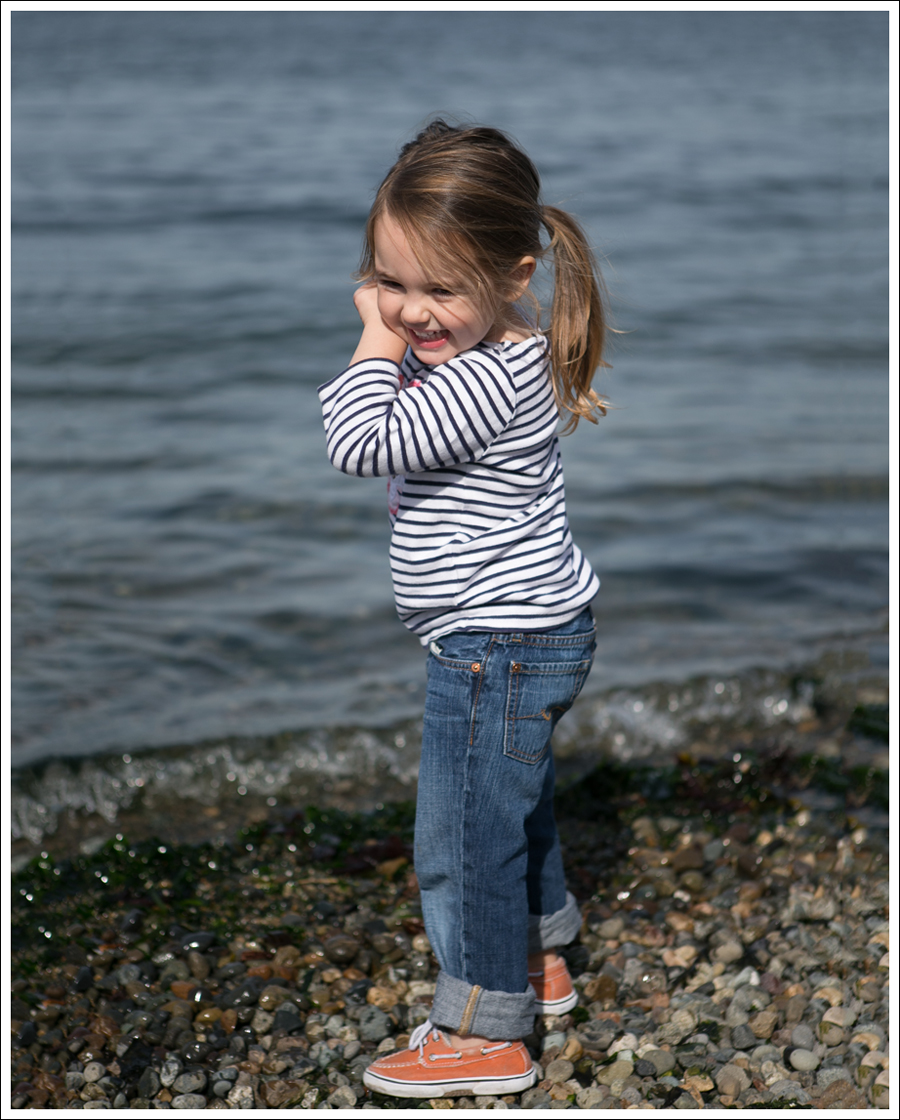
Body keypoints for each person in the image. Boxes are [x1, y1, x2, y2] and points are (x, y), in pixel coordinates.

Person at [318, 119, 609, 1100]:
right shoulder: (498, 352)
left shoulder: (484, 376)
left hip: (499, 641)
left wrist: (367, 333)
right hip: (525, 631)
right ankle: (542, 958)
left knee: (464, 835)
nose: (409, 311)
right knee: (512, 808)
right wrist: (409, 328)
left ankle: (486, 1026)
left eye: (439, 290)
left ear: (515, 273)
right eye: (390, 283)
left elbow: (361, 442)